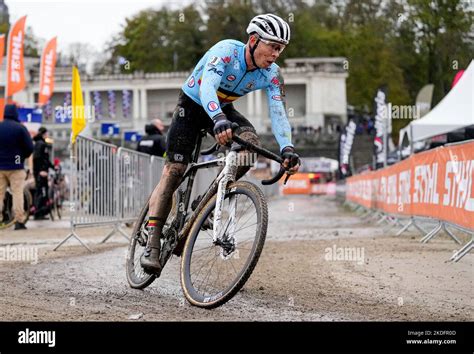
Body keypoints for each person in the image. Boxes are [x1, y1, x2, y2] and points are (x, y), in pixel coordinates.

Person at [140, 14, 301, 274]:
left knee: (249, 143)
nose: (275, 54)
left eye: (280, 49)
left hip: (223, 109)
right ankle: (153, 238)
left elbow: (278, 111)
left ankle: (205, 203)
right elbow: (208, 86)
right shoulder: (226, 52)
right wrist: (217, 118)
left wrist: (287, 148)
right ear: (253, 40)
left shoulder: (272, 74)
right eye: (272, 46)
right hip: (192, 107)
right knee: (174, 171)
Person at [0, 104, 34, 230]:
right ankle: (19, 221)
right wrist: (20, 157)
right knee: (17, 193)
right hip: (16, 165)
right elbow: (30, 147)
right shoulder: (20, 128)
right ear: (15, 114)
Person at [32, 127, 54, 220]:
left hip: (41, 171)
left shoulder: (39, 143)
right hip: (41, 172)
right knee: (41, 191)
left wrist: (52, 167)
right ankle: (38, 212)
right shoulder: (41, 144)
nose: (48, 135)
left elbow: (45, 160)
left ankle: (41, 211)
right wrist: (42, 170)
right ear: (44, 134)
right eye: (47, 133)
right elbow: (38, 159)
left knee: (42, 191)